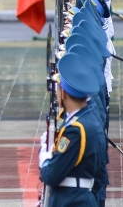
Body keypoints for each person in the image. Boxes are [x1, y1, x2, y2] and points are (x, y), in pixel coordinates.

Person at [39, 52, 106, 207]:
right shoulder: (90, 120)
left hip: (72, 201)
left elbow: (51, 175)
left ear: (64, 93)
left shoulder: (75, 130)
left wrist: (45, 156)